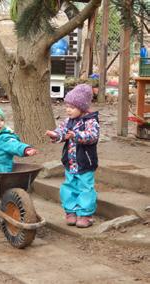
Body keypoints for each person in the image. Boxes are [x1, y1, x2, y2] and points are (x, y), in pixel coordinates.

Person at [45, 84, 99, 228]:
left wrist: (76, 135)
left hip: (85, 163)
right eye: (67, 106)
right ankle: (71, 211)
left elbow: (93, 136)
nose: (68, 110)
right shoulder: (69, 121)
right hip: (70, 162)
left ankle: (85, 214)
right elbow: (62, 131)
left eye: (72, 107)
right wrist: (56, 135)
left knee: (85, 188)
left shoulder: (91, 121)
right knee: (69, 186)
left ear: (82, 107)